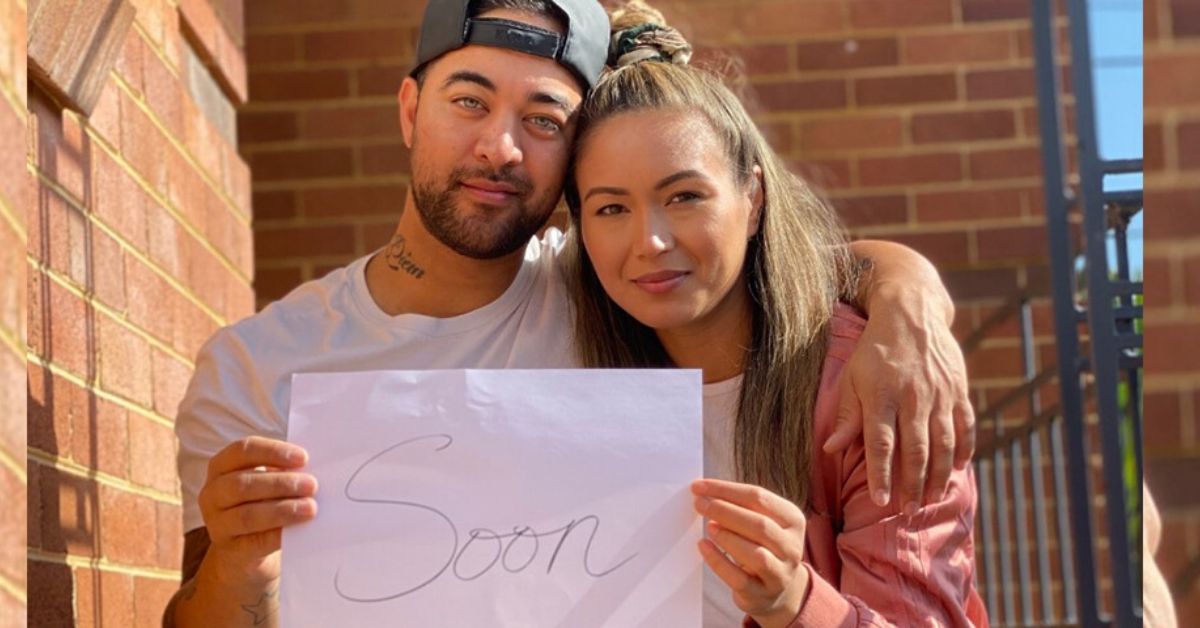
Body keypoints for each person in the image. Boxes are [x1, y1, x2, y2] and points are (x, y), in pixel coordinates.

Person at [164, 1, 976, 625]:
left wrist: (906, 301)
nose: (501, 147)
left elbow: (772, 270)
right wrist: (237, 569)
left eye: (543, 119)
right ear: (411, 110)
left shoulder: (610, 291)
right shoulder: (256, 365)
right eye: (469, 102)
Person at [563, 3, 989, 626]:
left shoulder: (868, 387)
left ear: (753, 198)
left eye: (684, 196)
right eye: (610, 209)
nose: (649, 242)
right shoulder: (553, 346)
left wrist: (794, 603)